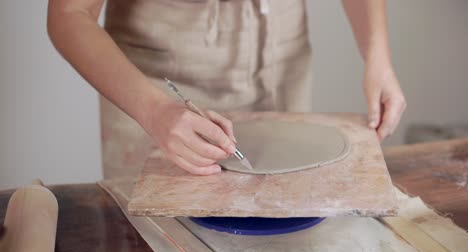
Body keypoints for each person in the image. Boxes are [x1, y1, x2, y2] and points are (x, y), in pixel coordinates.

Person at [47, 0, 406, 179]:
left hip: (283, 71)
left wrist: (378, 53)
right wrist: (155, 110)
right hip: (156, 92)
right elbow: (69, 13)